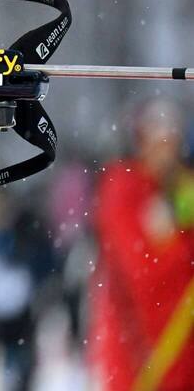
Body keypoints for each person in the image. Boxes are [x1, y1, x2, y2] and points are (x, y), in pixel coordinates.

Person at [89, 99, 194, 391]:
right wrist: (182, 236)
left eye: (171, 142)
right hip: (139, 350)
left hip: (178, 342)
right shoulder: (124, 187)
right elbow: (144, 268)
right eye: (158, 142)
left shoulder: (176, 187)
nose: (166, 153)